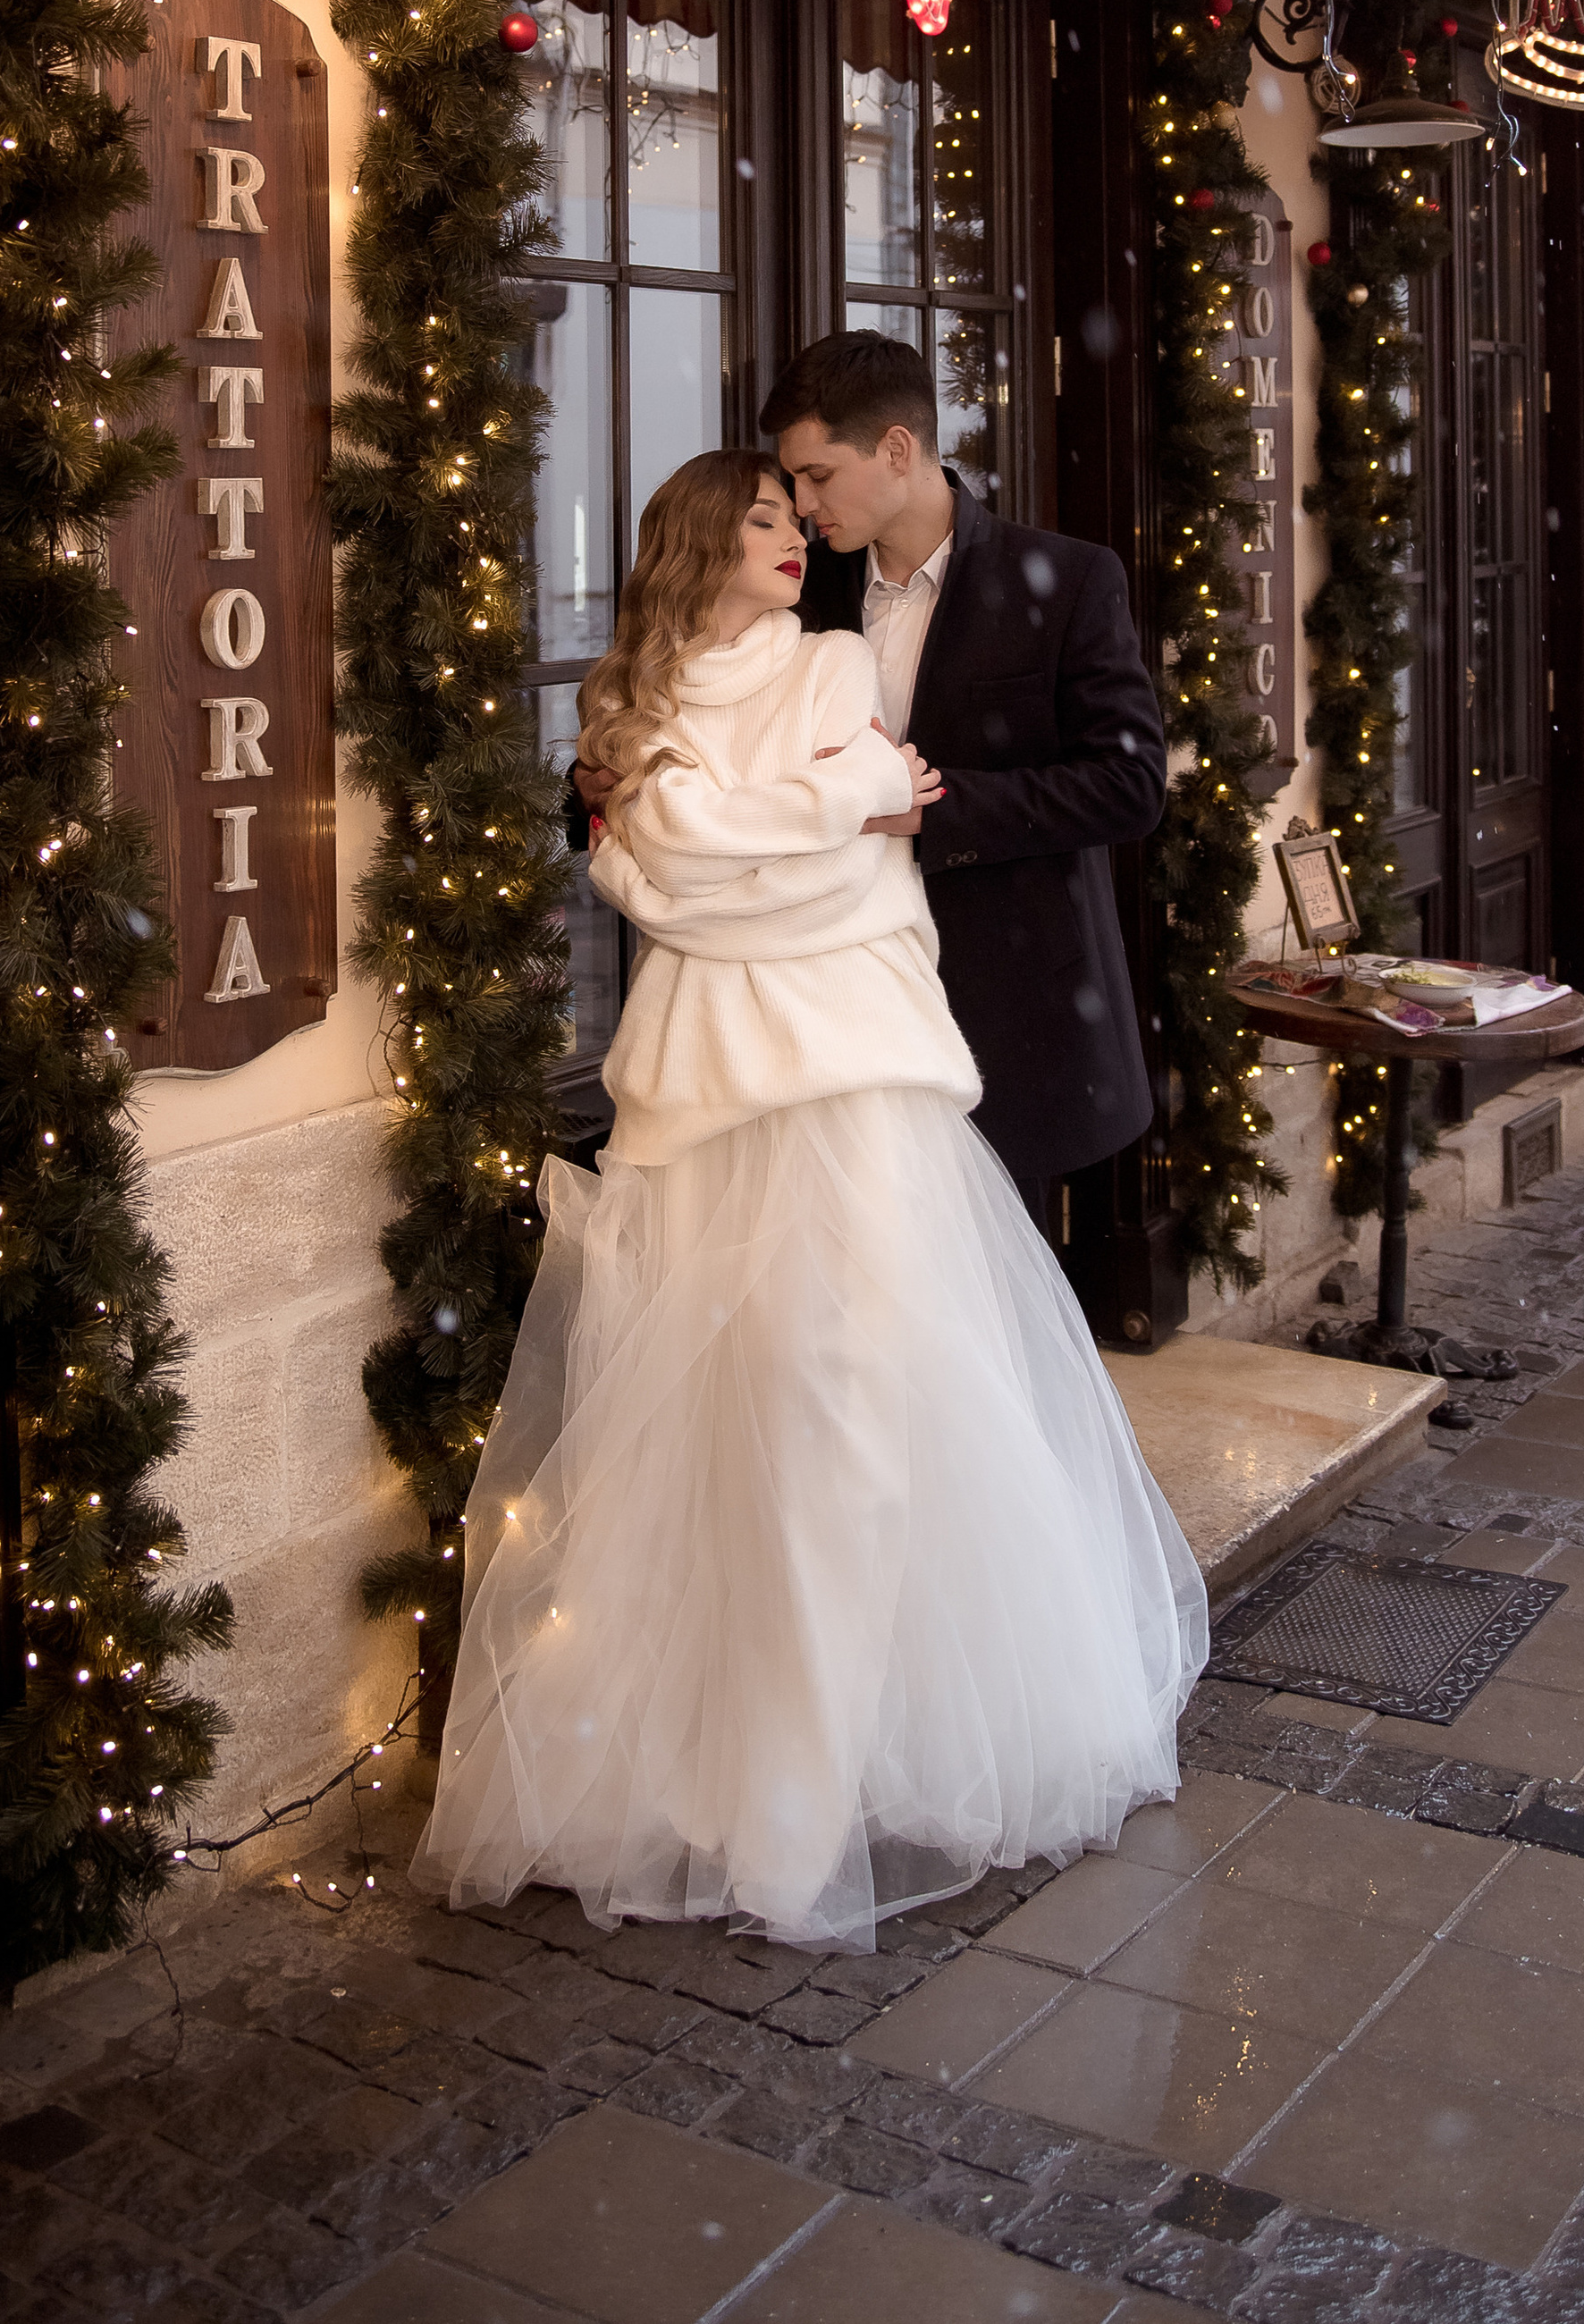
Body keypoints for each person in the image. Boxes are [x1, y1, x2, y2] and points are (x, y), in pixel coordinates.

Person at [417, 450, 1207, 1951]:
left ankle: (817, 1771)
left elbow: (833, 887)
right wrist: (830, 800)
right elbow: (655, 879)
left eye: (799, 512)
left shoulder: (838, 660)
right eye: (763, 520)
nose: (792, 538)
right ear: (699, 544)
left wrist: (773, 826)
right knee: (706, 1430)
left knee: (844, 1416)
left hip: (846, 1097)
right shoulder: (626, 717)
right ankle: (706, 1762)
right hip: (697, 1107)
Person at [758, 329, 1167, 1217]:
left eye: (817, 475)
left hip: (1003, 1012)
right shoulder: (800, 590)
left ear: (898, 450)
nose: (799, 502)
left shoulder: (1065, 581)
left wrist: (932, 809)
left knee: (988, 1311)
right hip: (832, 1006)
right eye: (792, 480)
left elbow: (1130, 784)